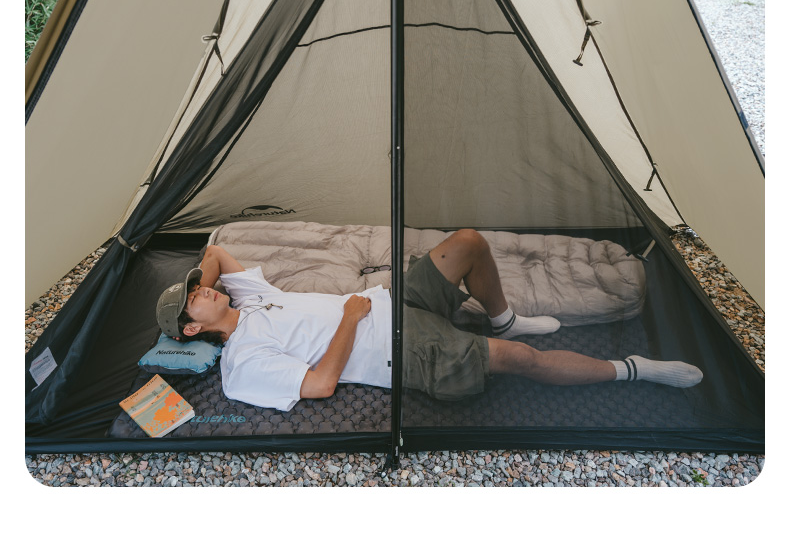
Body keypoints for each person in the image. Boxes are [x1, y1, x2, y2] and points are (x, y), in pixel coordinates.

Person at [155, 229, 702, 411]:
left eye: (198, 285)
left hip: (396, 301)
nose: (204, 288)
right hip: (403, 351)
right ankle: (633, 369)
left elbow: (216, 250)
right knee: (522, 360)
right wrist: (349, 317)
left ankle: (503, 318)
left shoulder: (248, 300)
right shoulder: (243, 362)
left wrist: (195, 290)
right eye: (194, 299)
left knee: (467, 242)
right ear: (191, 329)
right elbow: (320, 385)